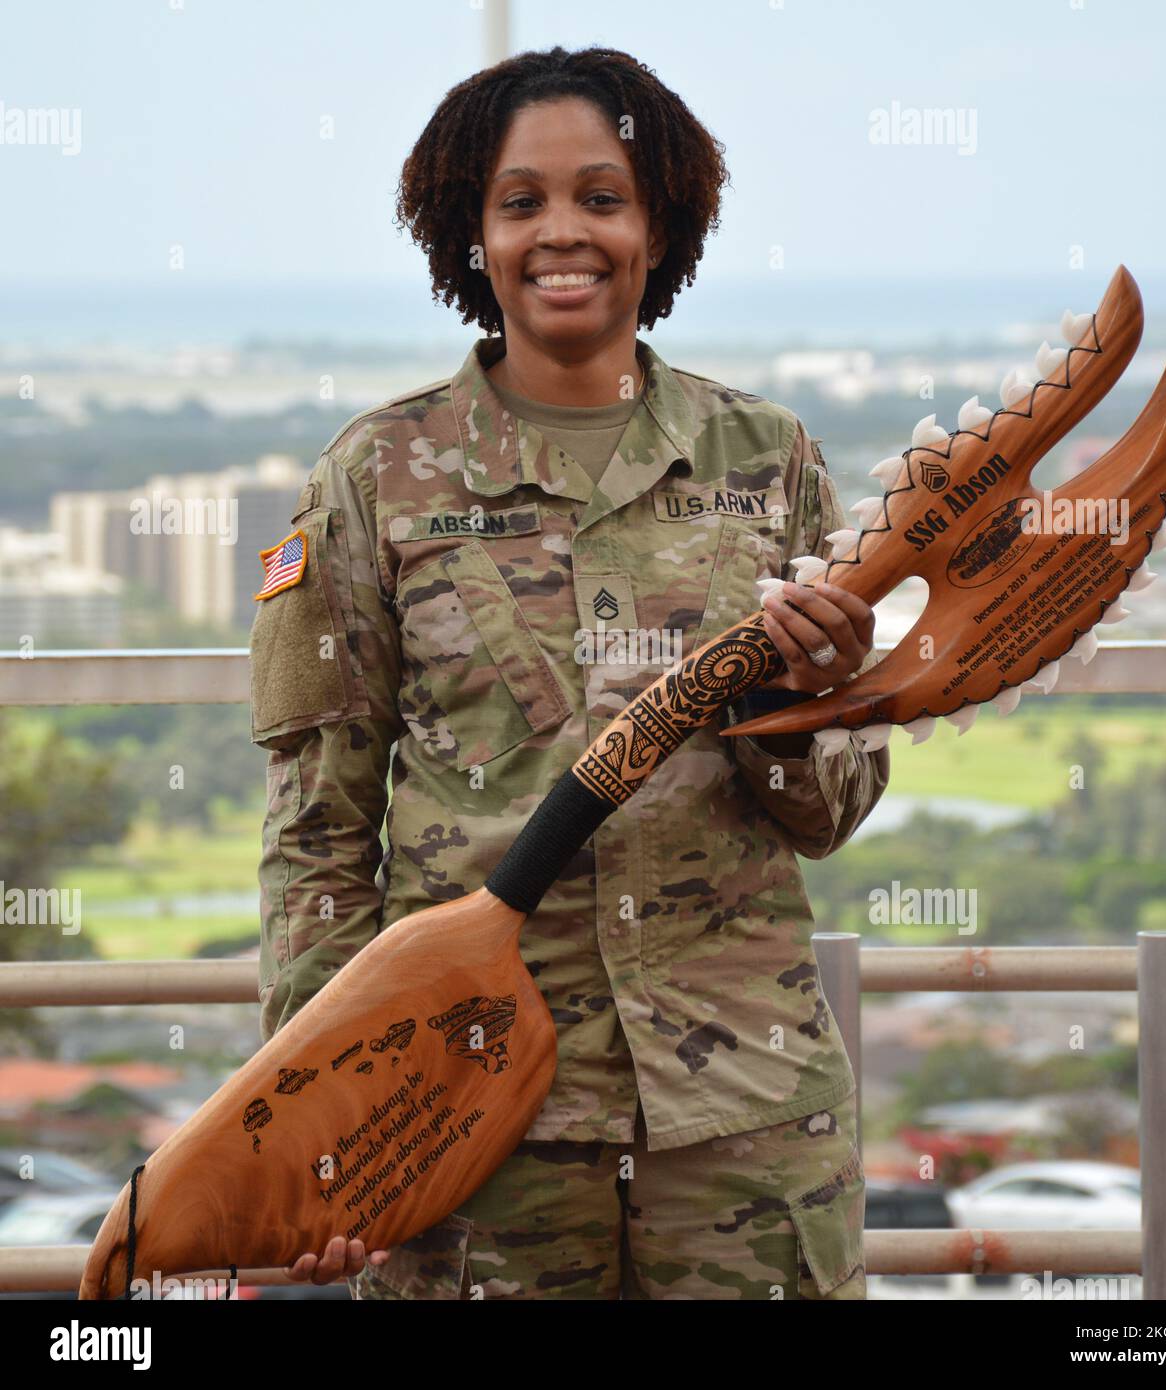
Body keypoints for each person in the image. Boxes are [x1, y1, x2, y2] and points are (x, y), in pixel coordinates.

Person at [250, 44, 889, 1300]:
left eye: (603, 197)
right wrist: (321, 1114)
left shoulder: (766, 458)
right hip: (473, 1110)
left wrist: (789, 704)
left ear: (660, 225)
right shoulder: (374, 478)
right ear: (467, 234)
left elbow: (830, 813)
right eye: (520, 200)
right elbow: (319, 829)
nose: (563, 232)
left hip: (746, 1120)